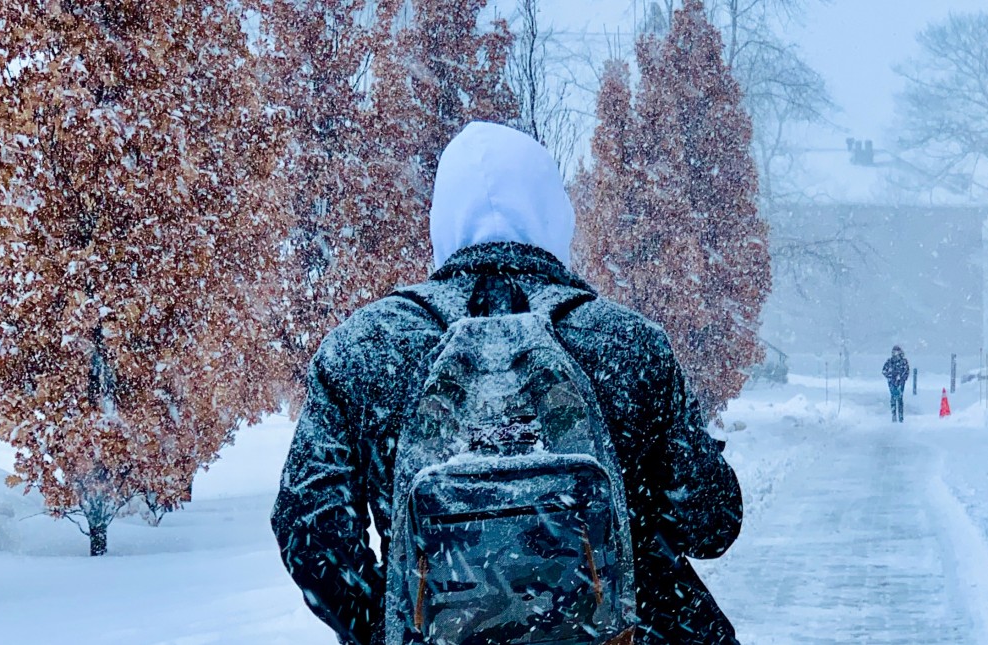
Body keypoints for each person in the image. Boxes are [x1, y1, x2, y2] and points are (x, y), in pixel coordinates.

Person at [271, 122, 743, 645]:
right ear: (553, 214)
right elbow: (711, 522)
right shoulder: (628, 344)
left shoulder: (364, 348)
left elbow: (309, 532)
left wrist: (394, 624)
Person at [882, 345, 910, 423]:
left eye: (896, 352)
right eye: (894, 352)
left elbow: (906, 371)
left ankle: (900, 416)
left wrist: (902, 378)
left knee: (900, 398)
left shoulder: (903, 361)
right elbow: (884, 371)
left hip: (900, 383)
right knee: (893, 398)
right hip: (892, 383)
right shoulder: (889, 361)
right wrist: (890, 377)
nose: (895, 354)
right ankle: (894, 415)